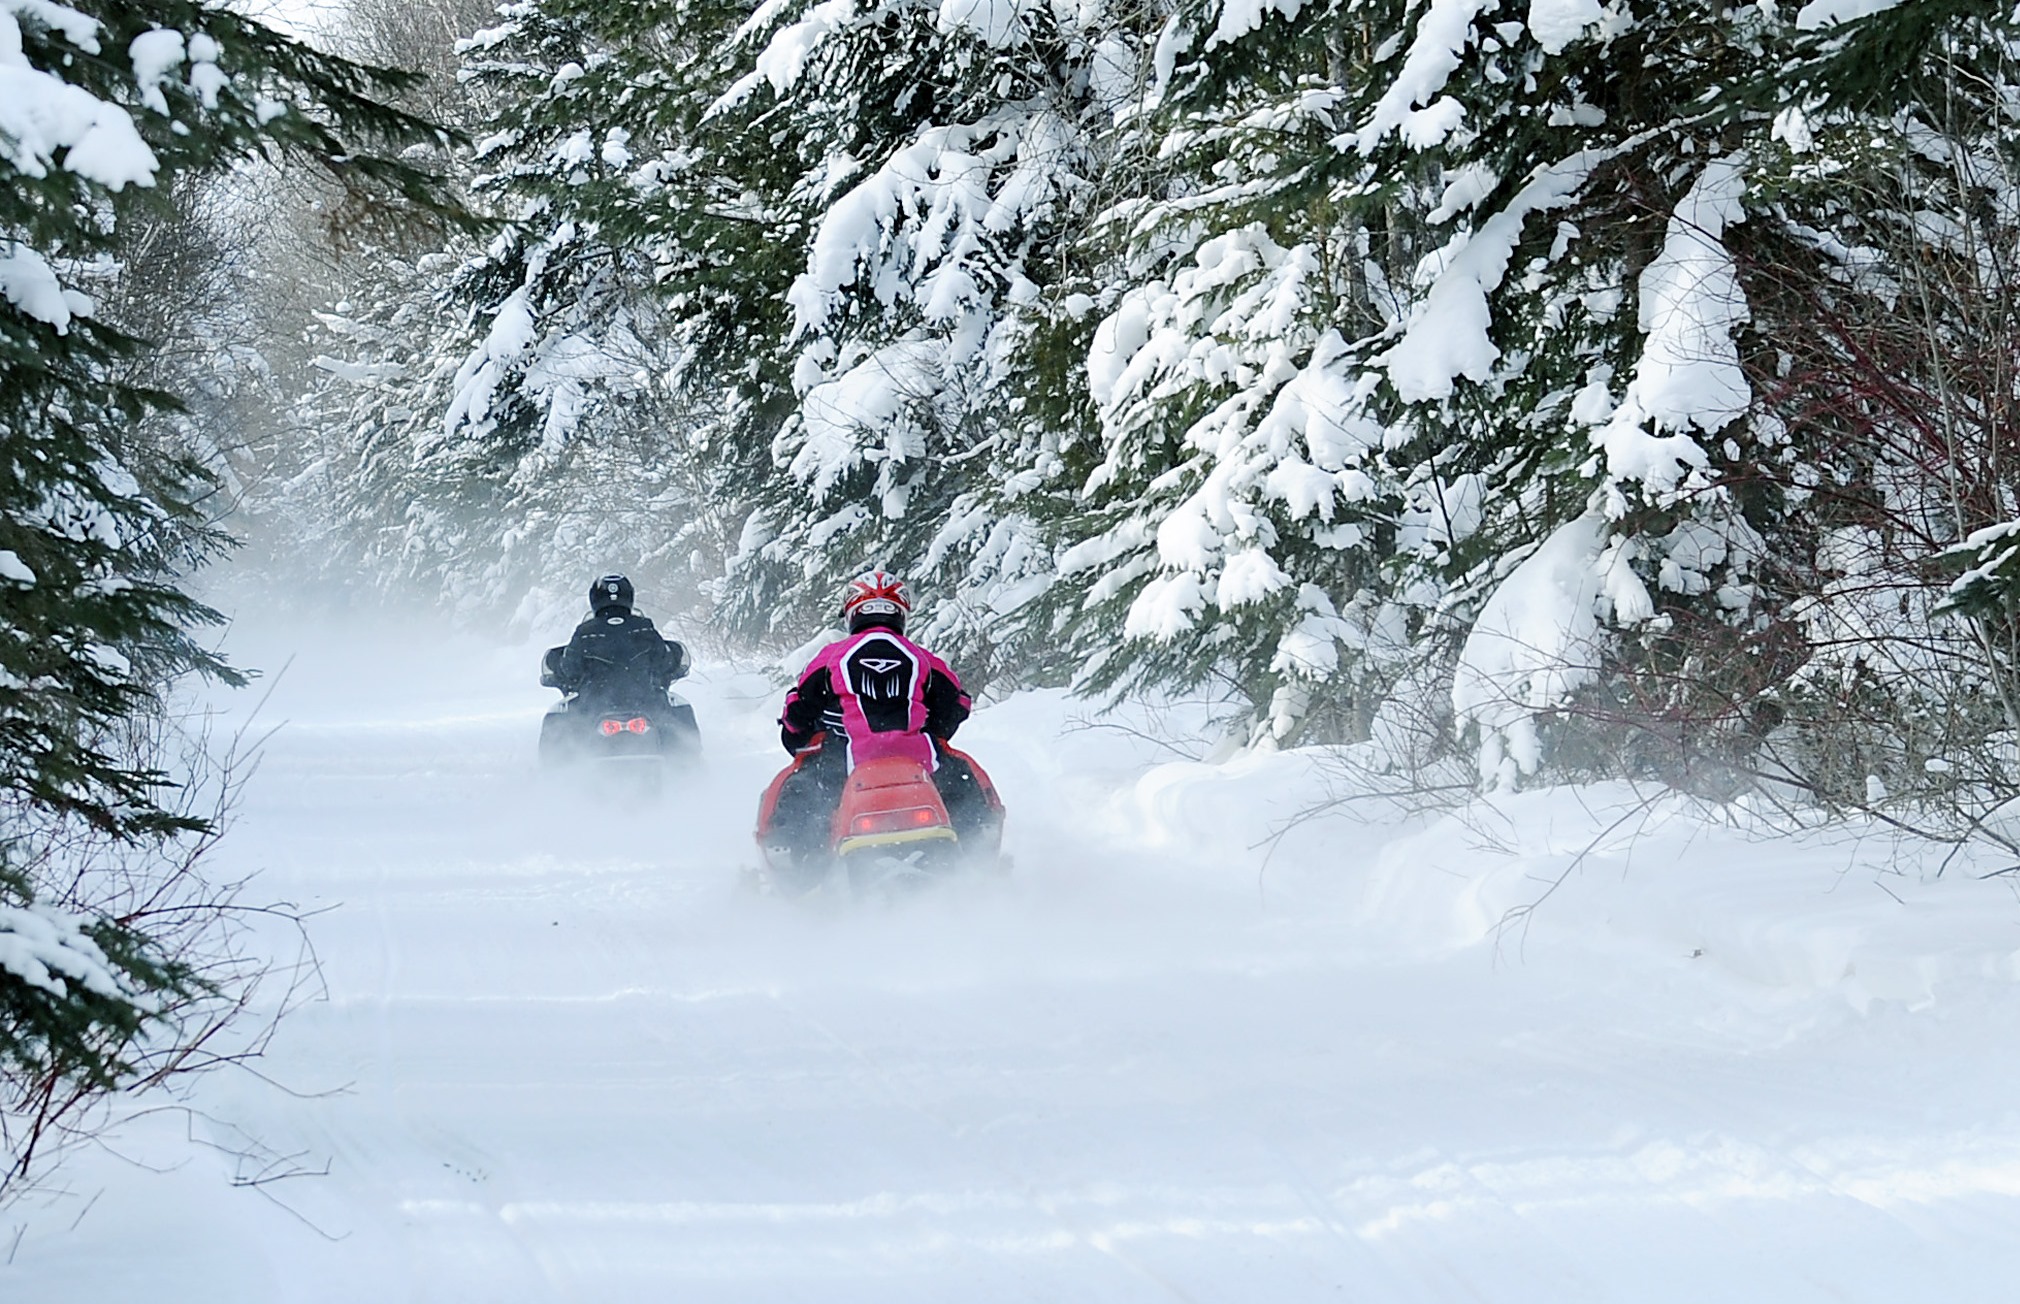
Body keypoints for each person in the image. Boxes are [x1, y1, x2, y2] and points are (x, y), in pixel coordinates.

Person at [767, 570, 991, 864]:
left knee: (798, 794)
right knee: (968, 785)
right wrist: (933, 731)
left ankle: (802, 874)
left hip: (845, 763)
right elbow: (957, 704)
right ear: (900, 614)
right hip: (919, 760)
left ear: (852, 613)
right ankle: (978, 862)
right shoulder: (920, 657)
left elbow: (796, 711)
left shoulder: (832, 656)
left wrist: (797, 738)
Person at [556, 574, 681, 708]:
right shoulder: (645, 627)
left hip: (593, 708)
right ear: (629, 596)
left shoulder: (584, 632)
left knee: (558, 715)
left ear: (594, 598)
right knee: (679, 709)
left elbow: (570, 669)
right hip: (645, 705)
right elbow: (663, 662)